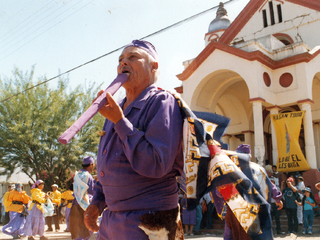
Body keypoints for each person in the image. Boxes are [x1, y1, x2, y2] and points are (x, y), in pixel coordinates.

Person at [84, 39, 184, 240]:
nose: (123, 63)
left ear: (154, 66)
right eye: (120, 59)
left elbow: (156, 163)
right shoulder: (115, 108)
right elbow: (110, 164)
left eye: (133, 57)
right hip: (111, 220)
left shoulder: (162, 102)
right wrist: (97, 202)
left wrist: (120, 121)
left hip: (149, 219)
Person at [223, 144, 283, 240]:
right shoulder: (260, 169)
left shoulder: (231, 169)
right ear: (250, 157)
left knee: (231, 234)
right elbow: (270, 185)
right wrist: (277, 198)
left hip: (236, 208)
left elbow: (222, 188)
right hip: (258, 208)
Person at [69, 156, 95, 240]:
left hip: (75, 205)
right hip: (85, 205)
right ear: (91, 164)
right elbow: (90, 193)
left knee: (77, 229)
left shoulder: (77, 175)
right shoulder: (88, 176)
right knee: (87, 229)